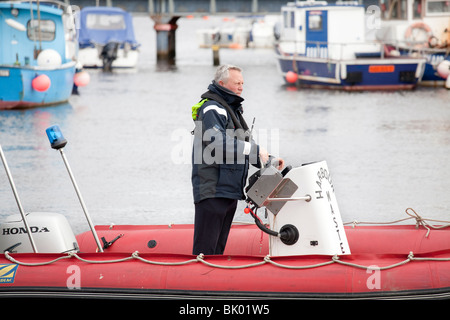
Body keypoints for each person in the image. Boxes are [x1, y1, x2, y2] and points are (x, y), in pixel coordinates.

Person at [191, 64, 283, 255]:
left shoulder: (233, 110)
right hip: (213, 191)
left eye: (242, 83)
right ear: (222, 83)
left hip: (229, 192)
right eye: (237, 83)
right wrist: (256, 149)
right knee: (206, 251)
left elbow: (246, 146)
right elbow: (217, 142)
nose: (241, 87)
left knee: (217, 250)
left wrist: (269, 161)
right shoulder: (212, 109)